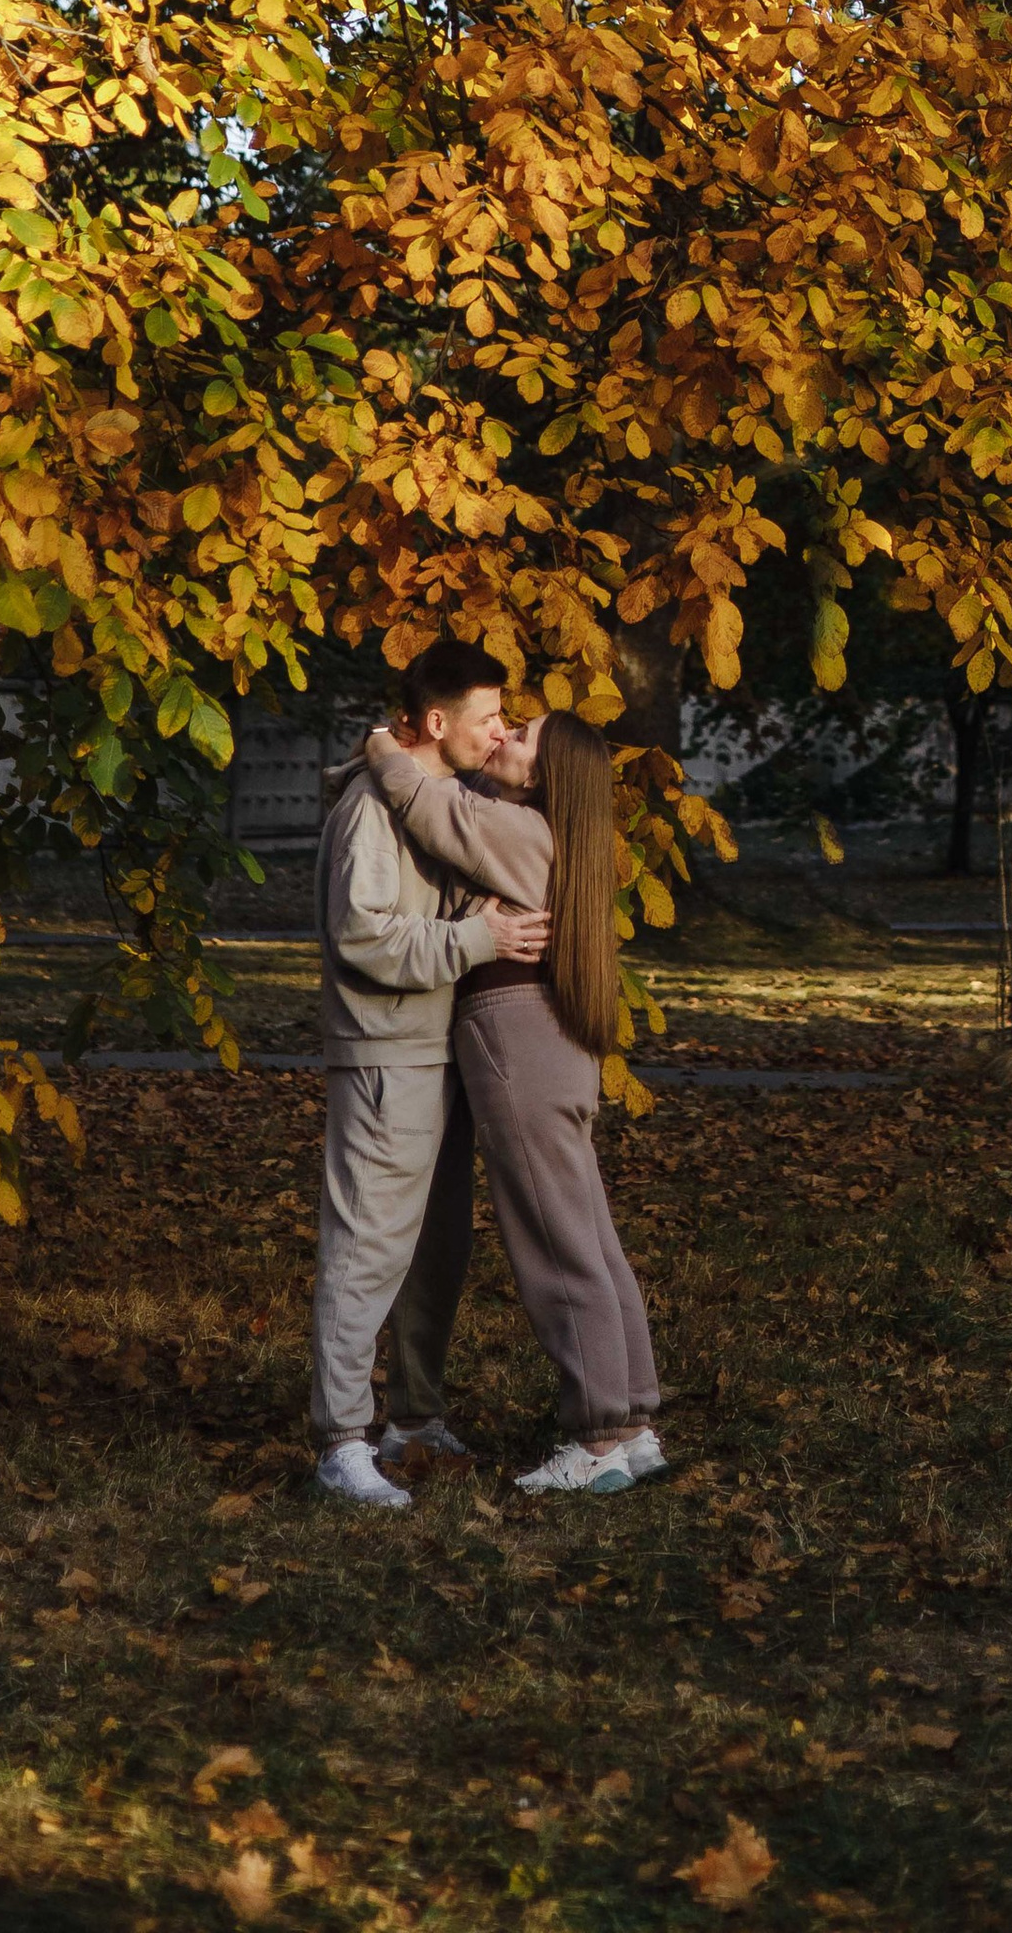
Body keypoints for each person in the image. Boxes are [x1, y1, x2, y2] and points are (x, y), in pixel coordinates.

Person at [365, 702, 664, 1496]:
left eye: (521, 735)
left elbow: (424, 804)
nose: (504, 735)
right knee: (589, 1235)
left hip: (515, 1037)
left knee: (553, 1244)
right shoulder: (557, 838)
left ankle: (598, 1437)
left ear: (544, 774)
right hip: (552, 1039)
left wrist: (380, 741)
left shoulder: (520, 829)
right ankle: (631, 1420)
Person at [309, 646, 550, 1507]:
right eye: (490, 716)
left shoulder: (441, 803)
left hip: (438, 1049)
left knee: (434, 1251)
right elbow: (363, 938)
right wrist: (474, 940)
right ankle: (341, 1442)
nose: (499, 731)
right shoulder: (372, 805)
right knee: (368, 1244)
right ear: (438, 722)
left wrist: (461, 919)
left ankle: (415, 1418)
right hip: (385, 1052)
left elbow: (419, 915)